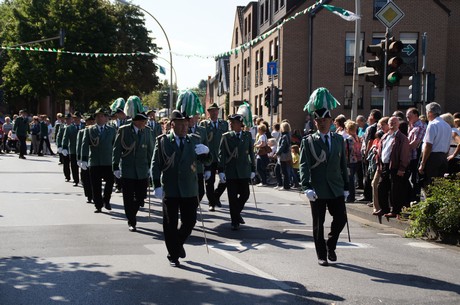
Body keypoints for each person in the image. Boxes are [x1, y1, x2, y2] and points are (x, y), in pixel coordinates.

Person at [151, 110, 211, 267]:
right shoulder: (163, 141)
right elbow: (155, 164)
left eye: (186, 124)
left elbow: (205, 161)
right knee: (170, 223)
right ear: (173, 125)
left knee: (190, 222)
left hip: (189, 188)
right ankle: (173, 254)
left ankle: (177, 244)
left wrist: (207, 153)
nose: (185, 128)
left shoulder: (194, 140)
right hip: (170, 188)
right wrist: (156, 185)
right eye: (181, 125)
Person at [300, 107, 349, 267]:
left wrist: (347, 186)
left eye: (325, 120)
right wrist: (306, 186)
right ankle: (322, 255)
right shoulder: (308, 141)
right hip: (318, 187)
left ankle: (331, 244)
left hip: (336, 186)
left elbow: (343, 164)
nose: (322, 123)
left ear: (331, 121)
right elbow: (304, 165)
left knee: (341, 218)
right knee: (318, 223)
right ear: (315, 123)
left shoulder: (338, 139)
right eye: (319, 121)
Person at [113, 112, 154, 232]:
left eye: (145, 121)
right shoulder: (124, 130)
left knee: (141, 197)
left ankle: (132, 212)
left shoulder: (147, 131)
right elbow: (117, 149)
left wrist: (152, 167)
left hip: (142, 169)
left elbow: (150, 150)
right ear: (136, 121)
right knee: (128, 197)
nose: (144, 123)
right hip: (128, 169)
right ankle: (131, 221)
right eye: (142, 121)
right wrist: (115, 166)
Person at [218, 114, 256, 230]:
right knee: (232, 197)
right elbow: (222, 154)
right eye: (230, 122)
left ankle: (236, 213)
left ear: (240, 124)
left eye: (233, 122)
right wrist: (221, 171)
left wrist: (253, 169)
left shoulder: (247, 135)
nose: (231, 124)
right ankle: (235, 221)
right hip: (231, 171)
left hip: (244, 170)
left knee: (245, 194)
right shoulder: (226, 136)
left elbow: (251, 153)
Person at [81, 108, 117, 213]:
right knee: (95, 185)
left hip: (108, 161)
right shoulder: (89, 130)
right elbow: (84, 145)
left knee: (110, 182)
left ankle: (106, 199)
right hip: (95, 161)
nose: (99, 118)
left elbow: (115, 145)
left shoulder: (111, 130)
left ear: (106, 118)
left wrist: (117, 160)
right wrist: (83, 159)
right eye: (97, 116)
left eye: (102, 116)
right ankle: (98, 205)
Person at [376, 117, 410, 218]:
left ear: (398, 124)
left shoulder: (402, 138)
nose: (392, 125)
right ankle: (384, 209)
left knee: (395, 189)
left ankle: (395, 210)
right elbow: (380, 151)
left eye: (395, 123)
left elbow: (404, 154)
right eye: (391, 123)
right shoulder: (385, 136)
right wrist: (379, 164)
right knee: (381, 187)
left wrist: (402, 168)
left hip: (395, 166)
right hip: (385, 166)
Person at [200, 102, 229, 211]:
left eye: (216, 110)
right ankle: (211, 202)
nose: (215, 113)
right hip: (210, 157)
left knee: (225, 180)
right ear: (209, 112)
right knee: (209, 181)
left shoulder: (224, 124)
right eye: (212, 111)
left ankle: (216, 196)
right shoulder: (204, 125)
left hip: (221, 156)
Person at [418, 102, 451, 189]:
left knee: (429, 183)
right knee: (439, 185)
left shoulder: (432, 124)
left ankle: (430, 202)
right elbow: (448, 144)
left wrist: (423, 163)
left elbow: (428, 145)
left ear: (430, 112)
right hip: (443, 157)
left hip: (432, 157)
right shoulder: (447, 125)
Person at [360, 109, 382, 202]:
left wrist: (366, 155)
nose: (368, 118)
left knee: (367, 174)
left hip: (370, 154)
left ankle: (367, 195)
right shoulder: (378, 127)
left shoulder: (371, 127)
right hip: (375, 154)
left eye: (369, 116)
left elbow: (370, 141)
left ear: (372, 117)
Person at [406, 108, 426, 203]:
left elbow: (415, 143)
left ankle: (415, 200)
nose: (407, 117)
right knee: (410, 179)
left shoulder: (420, 127)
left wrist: (404, 150)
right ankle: (412, 198)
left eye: (409, 115)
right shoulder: (412, 126)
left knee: (415, 180)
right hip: (411, 156)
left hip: (415, 157)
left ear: (416, 115)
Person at [188, 112, 209, 203]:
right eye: (190, 118)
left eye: (195, 118)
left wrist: (208, 167)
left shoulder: (202, 130)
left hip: (199, 166)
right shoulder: (182, 129)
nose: (192, 120)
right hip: (187, 166)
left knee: (201, 192)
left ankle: (192, 209)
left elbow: (206, 148)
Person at [62, 112, 84, 186]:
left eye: (78, 118)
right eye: (75, 118)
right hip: (73, 149)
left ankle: (84, 180)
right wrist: (64, 147)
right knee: (74, 166)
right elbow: (65, 138)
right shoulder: (69, 127)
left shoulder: (84, 127)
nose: (76, 120)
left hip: (83, 150)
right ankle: (76, 180)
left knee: (84, 166)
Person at [77, 114, 95, 203]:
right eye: (89, 121)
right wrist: (79, 159)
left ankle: (94, 195)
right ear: (86, 122)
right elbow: (79, 146)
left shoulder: (97, 132)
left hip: (94, 159)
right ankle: (88, 195)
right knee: (85, 178)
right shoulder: (82, 132)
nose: (91, 122)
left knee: (94, 179)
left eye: (93, 121)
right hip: (85, 158)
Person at [343, 120, 362, 203]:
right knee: (352, 179)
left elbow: (346, 151)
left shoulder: (348, 139)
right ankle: (352, 196)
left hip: (350, 161)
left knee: (349, 180)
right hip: (357, 160)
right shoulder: (358, 138)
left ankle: (350, 197)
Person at [274, 122, 292, 191]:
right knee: (278, 170)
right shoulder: (286, 135)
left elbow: (282, 146)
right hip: (282, 156)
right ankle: (280, 184)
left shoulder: (285, 136)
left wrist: (277, 153)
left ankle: (286, 186)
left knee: (284, 171)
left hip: (283, 156)